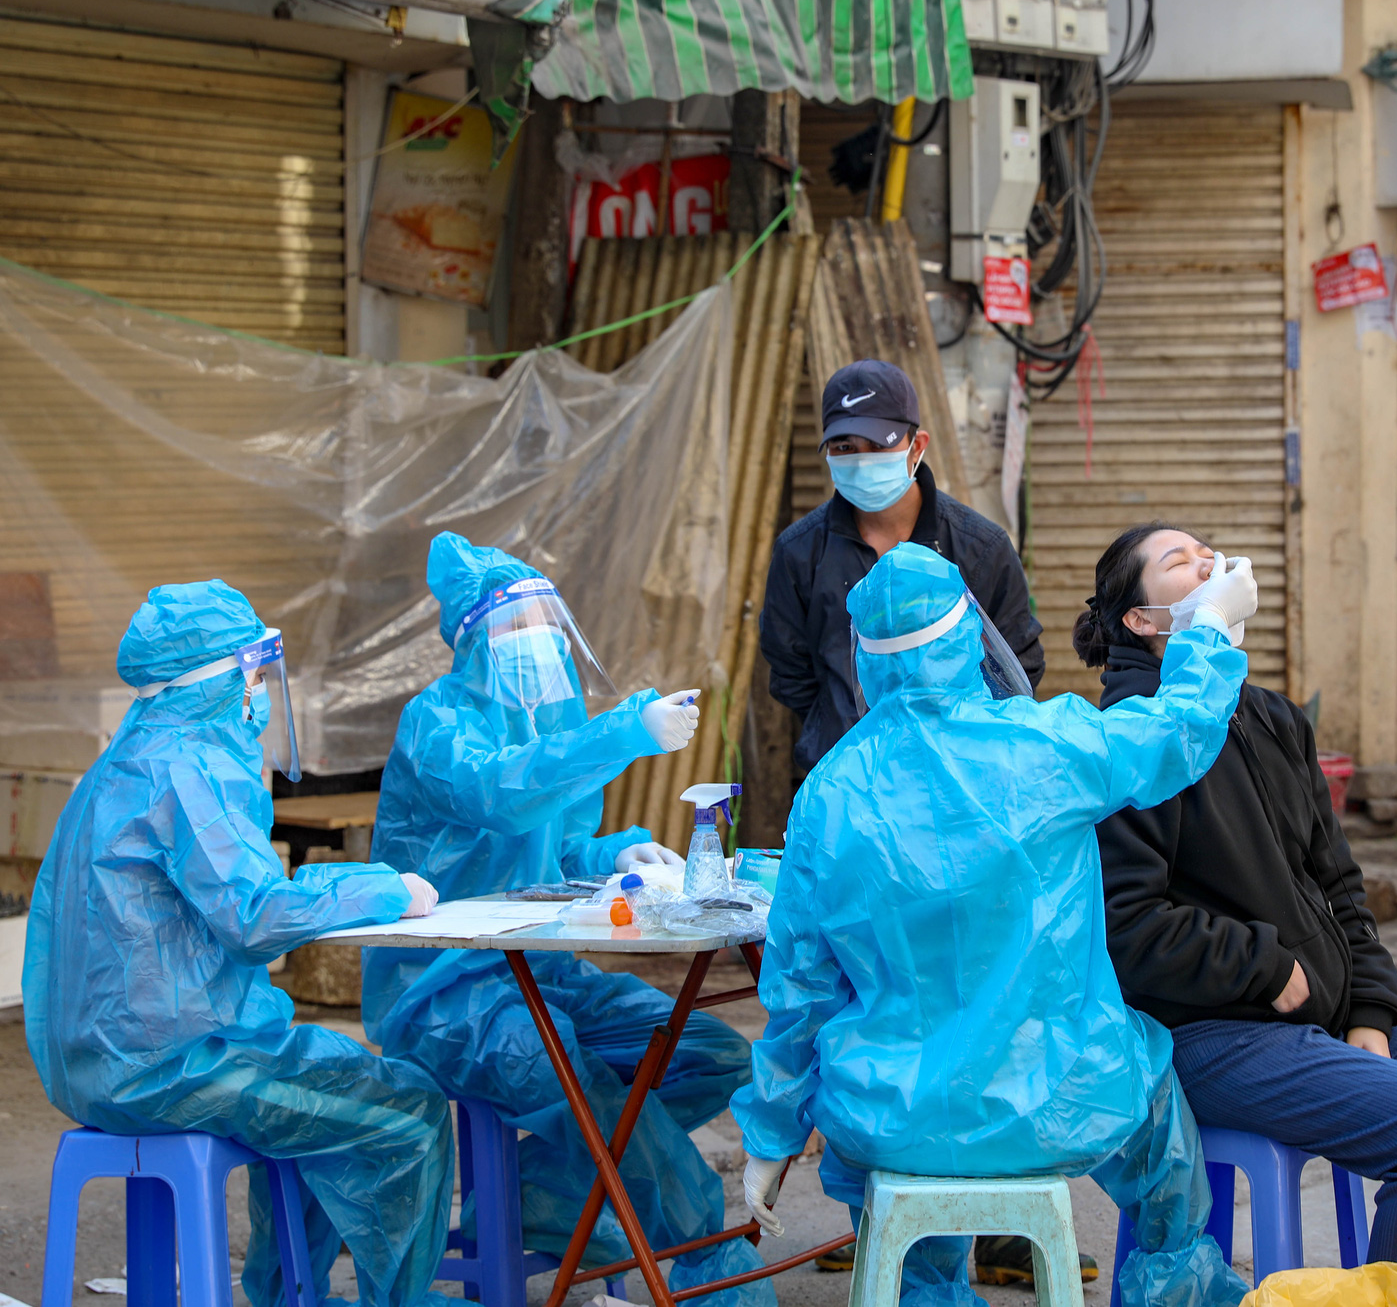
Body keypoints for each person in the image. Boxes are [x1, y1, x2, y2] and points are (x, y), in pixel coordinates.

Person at [734, 542, 1258, 1307]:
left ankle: (923, 1288)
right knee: (1151, 1090)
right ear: (969, 636)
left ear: (863, 657)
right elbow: (1174, 729)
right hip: (1060, 1097)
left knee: (903, 1226)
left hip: (893, 1112)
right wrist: (1207, 626)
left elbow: (800, 989)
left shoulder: (830, 792)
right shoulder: (1046, 746)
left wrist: (770, 1136)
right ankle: (1174, 1284)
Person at [1082, 523, 1397, 1297]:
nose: (1209, 565)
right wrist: (1268, 964)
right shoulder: (1127, 739)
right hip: (1208, 1032)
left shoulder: (1271, 718)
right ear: (1142, 623)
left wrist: (1371, 1014)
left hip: (1317, 1015)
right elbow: (1127, 927)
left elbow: (1340, 884)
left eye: (1209, 552)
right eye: (1180, 562)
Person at [361, 533, 769, 1305]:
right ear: (475, 636)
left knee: (708, 1053)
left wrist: (624, 853)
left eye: (546, 628)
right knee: (575, 1085)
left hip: (541, 967)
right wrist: (623, 731)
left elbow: (554, 840)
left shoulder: (542, 719)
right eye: (518, 629)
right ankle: (701, 1253)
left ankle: (532, 1194)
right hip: (448, 991)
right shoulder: (437, 723)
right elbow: (501, 794)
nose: (538, 645)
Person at [26, 580, 456, 1307]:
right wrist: (388, 889)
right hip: (171, 1066)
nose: (259, 691)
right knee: (406, 1109)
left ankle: (289, 1293)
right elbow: (255, 912)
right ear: (220, 677)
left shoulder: (123, 762)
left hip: (93, 1061)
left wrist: (358, 881)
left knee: (327, 1088)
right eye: (254, 673)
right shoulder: (191, 769)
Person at [761, 358, 1043, 774]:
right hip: (844, 783)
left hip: (958, 784)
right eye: (844, 448)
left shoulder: (980, 548)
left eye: (878, 445)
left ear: (917, 445)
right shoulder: (799, 552)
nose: (861, 461)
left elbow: (1018, 665)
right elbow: (790, 672)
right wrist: (837, 728)